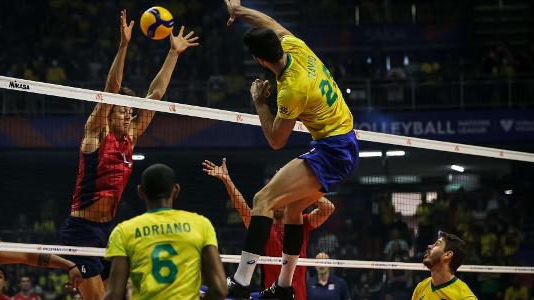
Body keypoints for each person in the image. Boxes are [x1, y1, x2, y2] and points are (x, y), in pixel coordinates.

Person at [221, 0, 358, 298]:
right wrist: (240, 12)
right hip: (343, 143)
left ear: (259, 61)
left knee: (263, 200)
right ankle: (283, 287)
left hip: (332, 150)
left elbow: (275, 140)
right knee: (293, 208)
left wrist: (259, 102)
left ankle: (241, 282)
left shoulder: (291, 89)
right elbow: (270, 22)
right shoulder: (297, 48)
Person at [59, 9, 199, 300]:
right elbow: (110, 88)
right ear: (110, 112)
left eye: (129, 111)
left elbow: (156, 96)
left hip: (107, 231)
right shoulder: (95, 134)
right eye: (121, 110)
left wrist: (173, 53)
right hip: (81, 232)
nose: (127, 114)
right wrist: (124, 45)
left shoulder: (130, 138)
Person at [202, 158, 335, 300]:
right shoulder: (263, 227)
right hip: (270, 296)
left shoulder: (303, 223)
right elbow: (243, 209)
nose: (276, 203)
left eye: (280, 198)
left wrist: (297, 185)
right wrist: (227, 180)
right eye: (274, 198)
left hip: (298, 296)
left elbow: (328, 209)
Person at [103, 164, 227, 300]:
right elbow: (219, 289)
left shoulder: (124, 231)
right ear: (176, 190)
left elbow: (114, 295)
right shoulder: (201, 225)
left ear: (140, 192)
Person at [411, 231, 477, 299]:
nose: (429, 246)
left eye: (437, 244)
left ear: (447, 255)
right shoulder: (421, 287)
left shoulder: (465, 297)